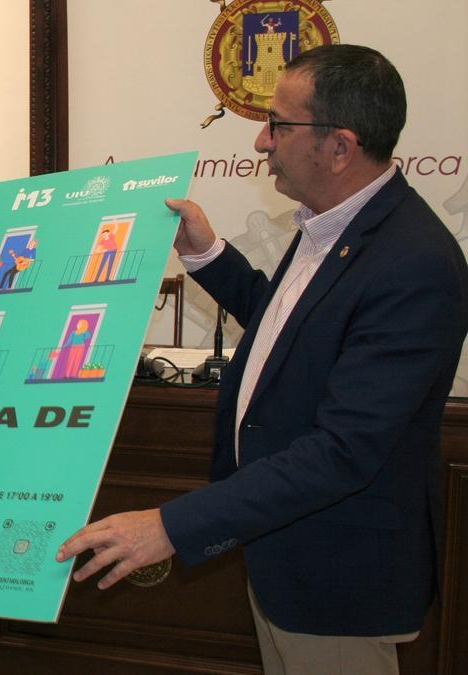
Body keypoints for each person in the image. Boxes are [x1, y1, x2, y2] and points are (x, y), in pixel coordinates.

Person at [57, 44, 468, 674]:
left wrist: (170, 525)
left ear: (340, 147)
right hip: (286, 550)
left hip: (337, 579)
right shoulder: (334, 226)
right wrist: (208, 254)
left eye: (278, 123)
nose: (260, 142)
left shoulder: (414, 263)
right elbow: (293, 335)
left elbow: (344, 450)